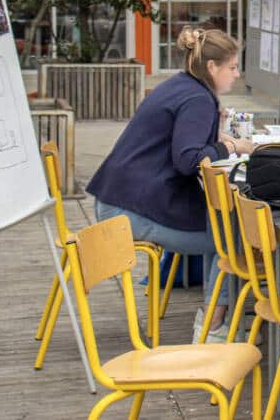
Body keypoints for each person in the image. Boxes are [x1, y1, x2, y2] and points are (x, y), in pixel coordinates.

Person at [87, 27, 255, 343]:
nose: (236, 74)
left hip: (118, 197)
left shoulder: (180, 86)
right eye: (232, 67)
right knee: (232, 234)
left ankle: (221, 315)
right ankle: (214, 327)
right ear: (211, 68)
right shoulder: (198, 99)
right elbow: (188, 159)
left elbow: (178, 142)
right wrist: (231, 147)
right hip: (130, 210)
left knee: (219, 222)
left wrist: (217, 139)